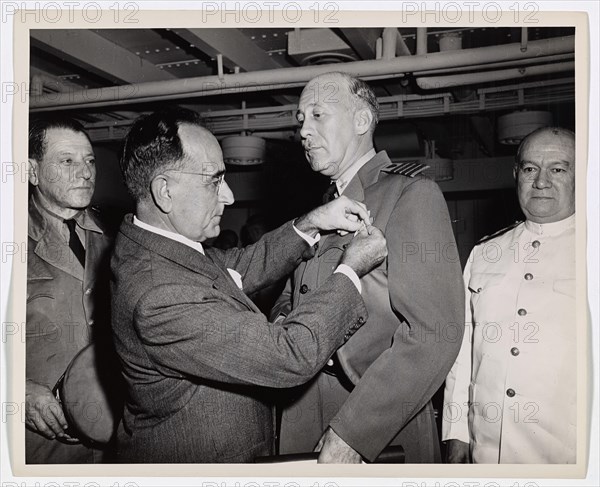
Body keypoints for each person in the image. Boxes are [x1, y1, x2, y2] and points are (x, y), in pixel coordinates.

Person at [110, 107, 388, 463]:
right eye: (214, 180)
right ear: (164, 191)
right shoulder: (159, 295)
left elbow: (240, 267)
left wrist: (313, 222)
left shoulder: (159, 247)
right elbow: (291, 355)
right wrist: (350, 268)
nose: (229, 196)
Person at [271, 72, 465, 463]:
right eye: (300, 119)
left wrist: (356, 434)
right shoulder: (320, 209)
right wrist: (281, 324)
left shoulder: (410, 194)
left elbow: (434, 333)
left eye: (318, 115)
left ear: (361, 121)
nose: (303, 131)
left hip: (375, 415)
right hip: (303, 405)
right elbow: (291, 296)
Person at [442, 127, 576, 464]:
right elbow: (463, 355)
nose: (541, 182)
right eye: (530, 169)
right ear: (516, 175)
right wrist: (456, 434)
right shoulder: (486, 252)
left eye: (558, 169)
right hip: (487, 456)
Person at [26, 116, 114, 463]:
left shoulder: (113, 239)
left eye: (90, 160)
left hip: (110, 440)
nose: (86, 172)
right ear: (32, 172)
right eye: (67, 161)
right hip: (38, 449)